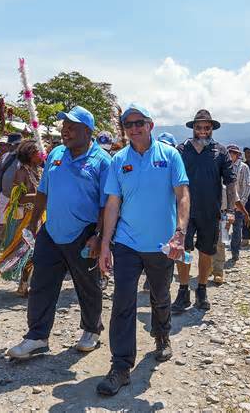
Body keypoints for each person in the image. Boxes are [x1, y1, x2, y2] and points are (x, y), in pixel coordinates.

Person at [96, 105, 190, 396]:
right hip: (126, 243)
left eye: (139, 123)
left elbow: (183, 195)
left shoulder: (170, 155)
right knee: (122, 302)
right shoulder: (118, 160)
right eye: (128, 124)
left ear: (151, 124)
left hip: (162, 245)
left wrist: (180, 234)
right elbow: (112, 203)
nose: (134, 128)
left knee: (160, 295)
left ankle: (162, 335)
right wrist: (104, 245)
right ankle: (120, 366)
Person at [7, 106, 110, 359]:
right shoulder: (55, 154)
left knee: (87, 284)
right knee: (41, 283)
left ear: (87, 131)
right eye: (64, 126)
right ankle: (37, 336)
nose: (66, 131)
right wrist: (33, 222)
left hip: (84, 233)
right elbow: (43, 191)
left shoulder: (103, 161)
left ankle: (91, 330)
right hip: (51, 231)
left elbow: (107, 204)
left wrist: (98, 235)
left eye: (72, 127)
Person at [173, 109, 237, 312]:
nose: (202, 131)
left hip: (210, 211)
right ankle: (183, 290)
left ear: (211, 129)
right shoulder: (182, 149)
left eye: (206, 127)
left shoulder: (221, 151)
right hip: (184, 211)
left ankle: (201, 290)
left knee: (207, 251)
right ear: (193, 128)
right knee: (182, 250)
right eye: (198, 127)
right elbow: (171, 178)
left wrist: (231, 210)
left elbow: (231, 182)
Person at [0, 140, 45, 296]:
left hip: (40, 215)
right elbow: (18, 199)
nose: (41, 154)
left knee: (38, 252)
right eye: (37, 151)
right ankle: (23, 284)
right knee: (28, 252)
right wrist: (40, 197)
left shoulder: (39, 170)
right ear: (29, 155)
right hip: (26, 219)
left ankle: (31, 283)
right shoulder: (21, 172)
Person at [0, 133, 22, 255]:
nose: (11, 147)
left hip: (20, 199)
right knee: (2, 224)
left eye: (13, 145)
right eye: (9, 145)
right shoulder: (5, 157)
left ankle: (15, 251)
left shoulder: (25, 158)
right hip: (4, 196)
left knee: (17, 226)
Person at [227, 144, 250, 262]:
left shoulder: (243, 167)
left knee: (237, 230)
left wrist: (242, 203)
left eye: (233, 152)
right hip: (225, 204)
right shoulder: (224, 166)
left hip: (238, 205)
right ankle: (219, 255)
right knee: (223, 229)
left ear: (237, 154)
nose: (231, 154)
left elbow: (247, 186)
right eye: (229, 152)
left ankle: (235, 252)